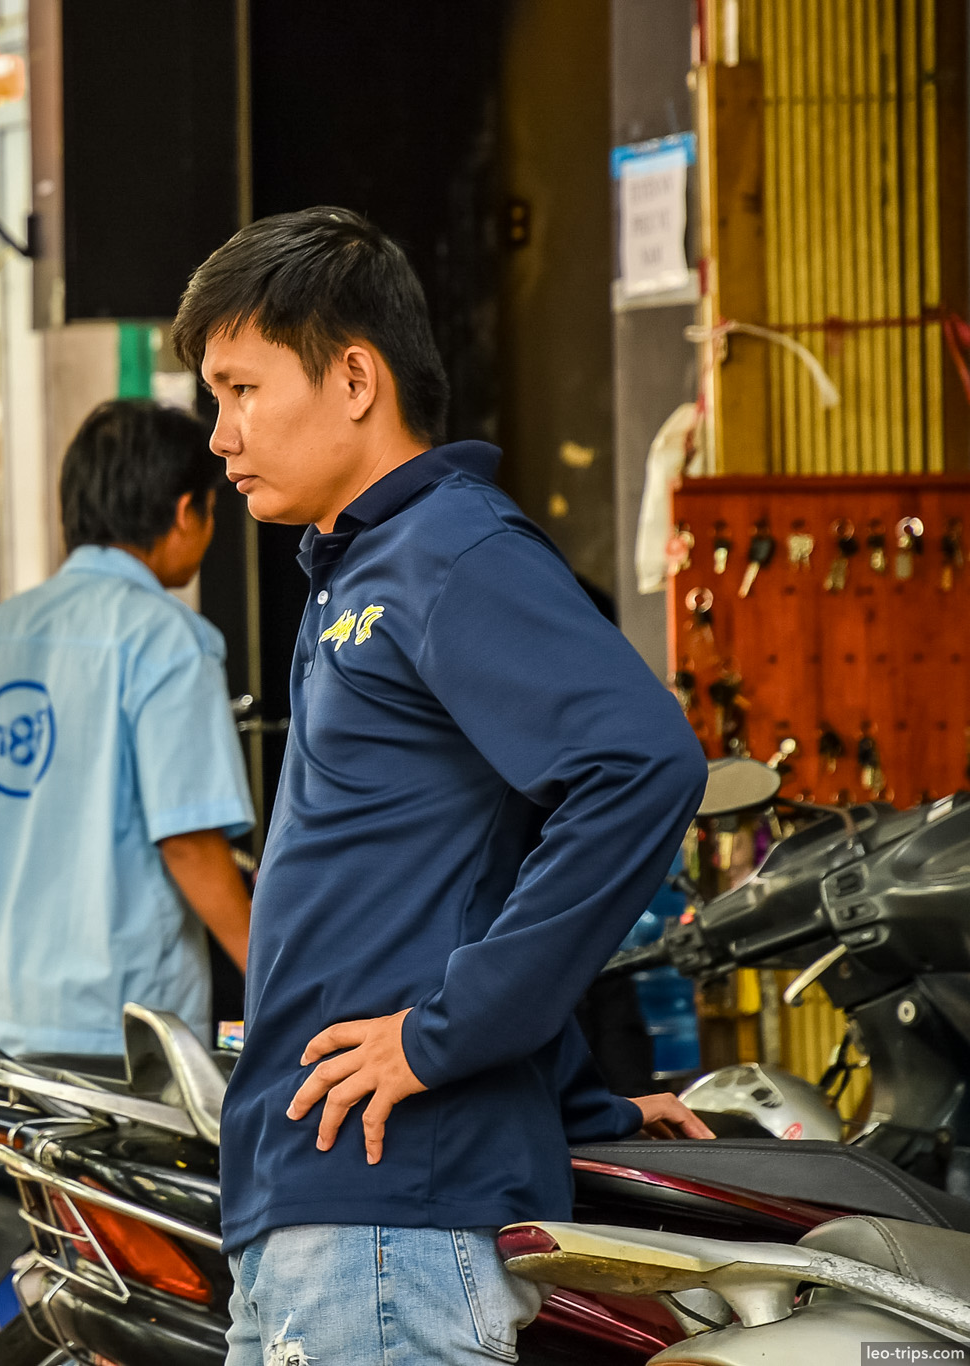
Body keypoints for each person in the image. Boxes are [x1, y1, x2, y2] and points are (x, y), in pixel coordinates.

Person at [167, 208, 713, 1366]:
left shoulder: (451, 550)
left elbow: (641, 767)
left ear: (354, 376)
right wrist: (575, 1098)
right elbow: (455, 880)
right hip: (314, 1211)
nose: (219, 435)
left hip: (386, 1224)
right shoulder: (354, 570)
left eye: (240, 387)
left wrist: (449, 1036)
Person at [0, 399, 254, 1061]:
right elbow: (188, 840)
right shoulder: (168, 640)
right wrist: (278, 982)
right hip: (117, 1034)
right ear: (186, 512)